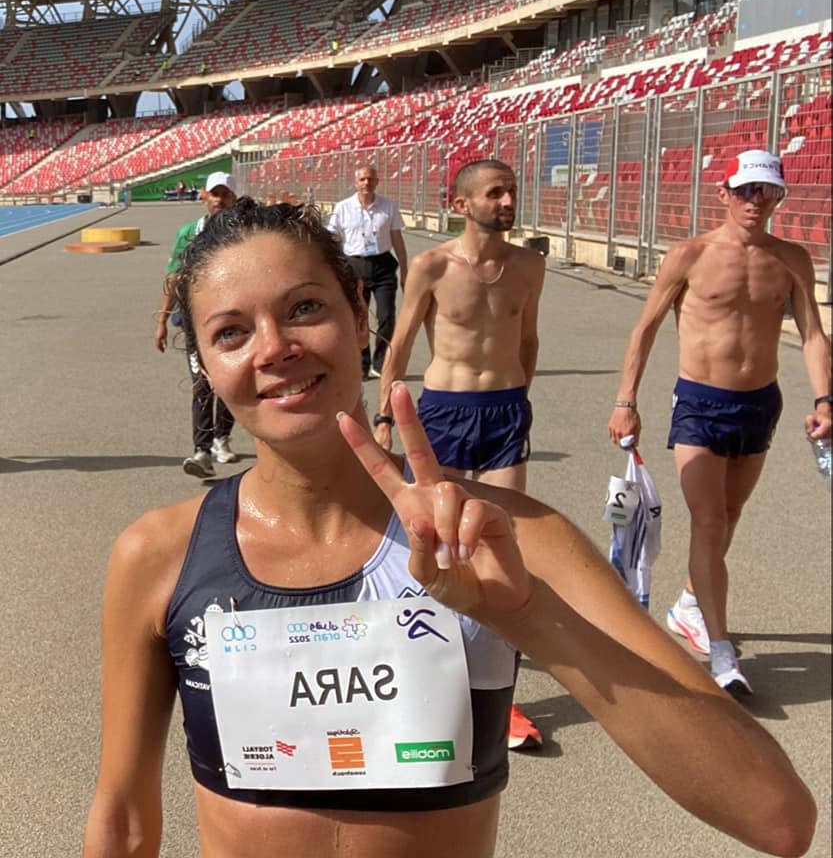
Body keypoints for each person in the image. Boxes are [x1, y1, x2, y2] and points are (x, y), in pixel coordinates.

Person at [83, 197, 817, 858]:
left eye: (305, 308)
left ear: (358, 317)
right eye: (232, 332)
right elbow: (121, 821)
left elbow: (775, 818)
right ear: (206, 365)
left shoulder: (509, 536)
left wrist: (529, 616)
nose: (273, 347)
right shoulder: (160, 555)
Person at [608, 149, 832, 697]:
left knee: (730, 514)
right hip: (700, 404)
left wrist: (826, 400)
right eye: (747, 190)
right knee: (709, 521)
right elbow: (646, 328)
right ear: (724, 193)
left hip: (761, 403)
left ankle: (689, 602)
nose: (757, 201)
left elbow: (811, 335)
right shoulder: (690, 254)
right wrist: (625, 399)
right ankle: (722, 651)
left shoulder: (792, 259)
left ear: (779, 196)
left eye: (768, 191)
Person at [374, 159, 545, 748]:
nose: (507, 201)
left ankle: (504, 697)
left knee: (503, 545)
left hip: (503, 413)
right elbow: (397, 346)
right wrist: (384, 418)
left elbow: (528, 339)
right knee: (438, 541)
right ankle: (422, 672)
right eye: (495, 192)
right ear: (461, 203)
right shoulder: (432, 266)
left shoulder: (529, 265)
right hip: (444, 411)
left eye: (511, 191)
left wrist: (520, 400)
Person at [154, 171, 240, 478]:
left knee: (230, 382)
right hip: (196, 324)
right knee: (202, 385)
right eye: (214, 194)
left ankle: (222, 436)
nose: (219, 200)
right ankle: (202, 451)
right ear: (204, 195)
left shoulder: (243, 233)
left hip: (235, 322)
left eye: (225, 194)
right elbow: (174, 277)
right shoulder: (188, 233)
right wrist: (162, 319)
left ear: (233, 198)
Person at [327, 163, 408, 380]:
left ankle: (380, 363)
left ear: (377, 182)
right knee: (358, 318)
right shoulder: (343, 207)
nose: (366, 183)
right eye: (362, 179)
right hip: (354, 266)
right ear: (355, 182)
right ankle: (362, 363)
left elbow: (397, 240)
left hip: (383, 266)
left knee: (386, 317)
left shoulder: (388, 206)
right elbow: (332, 237)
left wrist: (406, 271)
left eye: (371, 179)